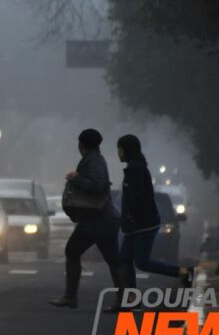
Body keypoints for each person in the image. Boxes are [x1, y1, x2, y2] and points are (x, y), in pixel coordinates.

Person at [49, 129, 129, 309]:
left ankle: (70, 296)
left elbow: (97, 184)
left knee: (72, 251)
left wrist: (76, 178)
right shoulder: (96, 159)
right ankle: (124, 300)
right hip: (106, 218)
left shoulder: (94, 161)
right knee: (113, 259)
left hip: (96, 219)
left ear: (81, 144)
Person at [117, 134, 194, 290]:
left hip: (142, 225)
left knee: (142, 262)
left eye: (119, 149)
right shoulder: (135, 167)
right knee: (124, 259)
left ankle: (184, 272)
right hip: (134, 226)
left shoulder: (136, 169)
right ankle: (130, 297)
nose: (118, 153)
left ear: (126, 150)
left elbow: (137, 197)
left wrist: (131, 215)